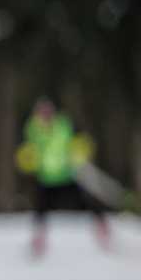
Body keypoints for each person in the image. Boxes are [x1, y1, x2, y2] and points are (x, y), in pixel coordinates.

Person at [18, 97, 110, 256]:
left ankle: (101, 225)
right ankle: (39, 239)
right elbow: (27, 152)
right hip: (46, 178)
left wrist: (81, 153)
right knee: (40, 207)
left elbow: (81, 141)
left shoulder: (64, 126)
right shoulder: (32, 130)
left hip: (66, 175)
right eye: (42, 113)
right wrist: (27, 161)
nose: (45, 116)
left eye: (48, 112)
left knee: (84, 201)